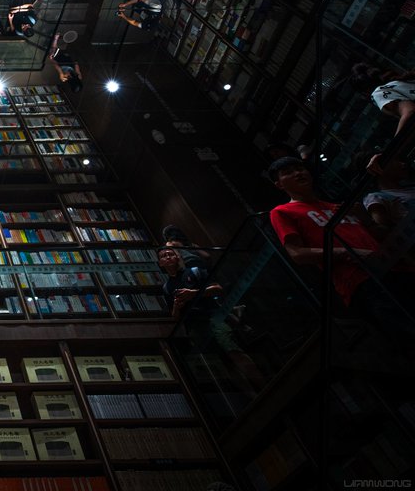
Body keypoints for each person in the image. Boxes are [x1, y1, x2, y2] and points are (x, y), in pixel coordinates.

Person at [268, 156, 415, 340]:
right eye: (288, 173)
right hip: (361, 281)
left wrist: (366, 219)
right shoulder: (282, 212)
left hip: (396, 268)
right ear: (279, 185)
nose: (297, 173)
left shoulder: (340, 207)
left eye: (300, 168)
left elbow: (379, 234)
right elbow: (296, 253)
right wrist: (347, 253)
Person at [157, 246, 264, 388]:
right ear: (160, 264)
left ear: (178, 257)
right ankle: (251, 395)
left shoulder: (194, 272)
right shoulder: (167, 288)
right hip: (195, 327)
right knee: (221, 363)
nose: (168, 257)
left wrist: (193, 293)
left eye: (171, 254)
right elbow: (175, 318)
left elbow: (218, 289)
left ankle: (264, 384)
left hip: (212, 317)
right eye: (164, 256)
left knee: (232, 349)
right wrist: (177, 306)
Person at [352, 64, 415, 176]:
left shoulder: (378, 93)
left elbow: (409, 112)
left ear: (365, 93)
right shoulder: (404, 83)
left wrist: (390, 153)